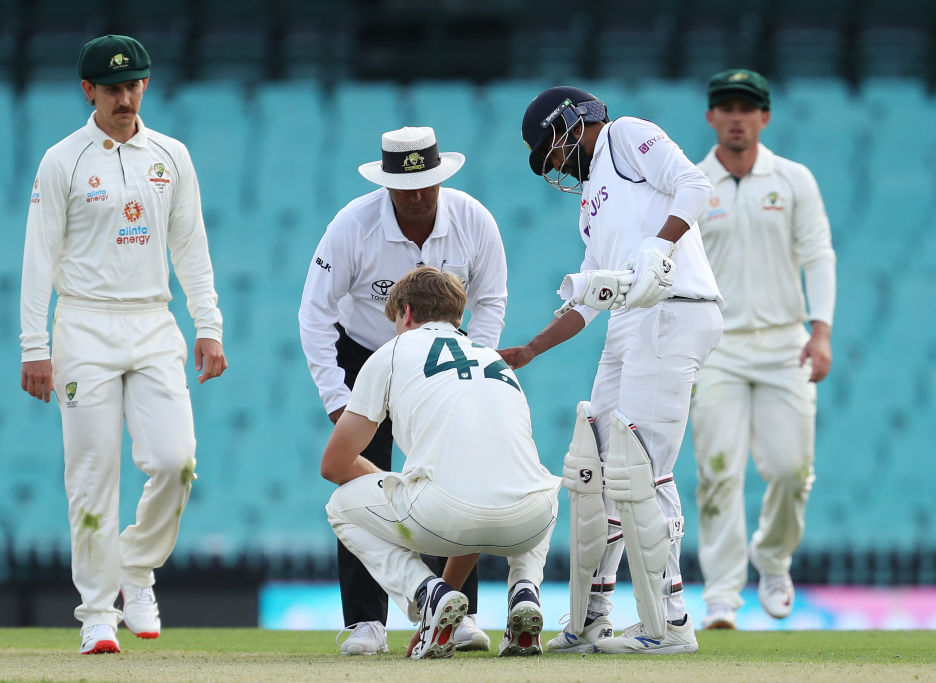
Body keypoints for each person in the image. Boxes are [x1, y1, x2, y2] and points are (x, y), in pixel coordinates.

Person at [19, 34, 227, 655]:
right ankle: (96, 615)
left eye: (135, 84)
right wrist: (35, 344)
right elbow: (38, 256)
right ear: (88, 90)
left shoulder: (171, 155)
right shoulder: (63, 160)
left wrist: (208, 325)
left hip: (153, 323)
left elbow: (190, 246)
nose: (126, 97)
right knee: (92, 473)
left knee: (176, 461)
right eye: (113, 87)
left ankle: (135, 568)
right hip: (82, 325)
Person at [502, 86, 724, 654]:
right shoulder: (587, 206)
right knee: (593, 471)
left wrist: (661, 248)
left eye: (549, 151)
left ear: (571, 124)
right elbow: (587, 301)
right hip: (630, 319)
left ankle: (670, 623)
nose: (553, 165)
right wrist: (529, 350)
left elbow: (696, 185)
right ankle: (593, 615)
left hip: (674, 307)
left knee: (640, 468)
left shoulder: (625, 135)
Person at [298, 126, 508, 655]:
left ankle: (456, 615)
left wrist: (470, 365)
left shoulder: (473, 220)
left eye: (427, 184)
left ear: (441, 177)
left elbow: (492, 299)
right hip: (365, 356)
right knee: (357, 483)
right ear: (386, 182)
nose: (416, 196)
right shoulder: (353, 225)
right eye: (405, 186)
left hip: (441, 358)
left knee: (454, 477)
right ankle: (366, 623)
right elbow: (315, 313)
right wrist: (335, 396)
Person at [321, 266, 560, 659]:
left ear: (406, 313)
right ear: (458, 316)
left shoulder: (392, 352)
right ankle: (524, 592)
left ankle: (424, 593)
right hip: (532, 522)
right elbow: (478, 501)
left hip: (444, 513)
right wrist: (446, 599)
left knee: (341, 505)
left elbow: (334, 465)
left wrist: (394, 485)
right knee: (530, 484)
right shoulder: (494, 360)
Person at [691, 69, 836, 630]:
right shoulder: (694, 185)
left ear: (764, 117)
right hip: (718, 346)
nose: (735, 117)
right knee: (718, 471)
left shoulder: (794, 179)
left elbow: (819, 255)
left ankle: (773, 561)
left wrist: (820, 331)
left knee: (792, 469)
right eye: (725, 107)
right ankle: (722, 596)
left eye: (746, 108)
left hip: (784, 344)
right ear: (710, 116)